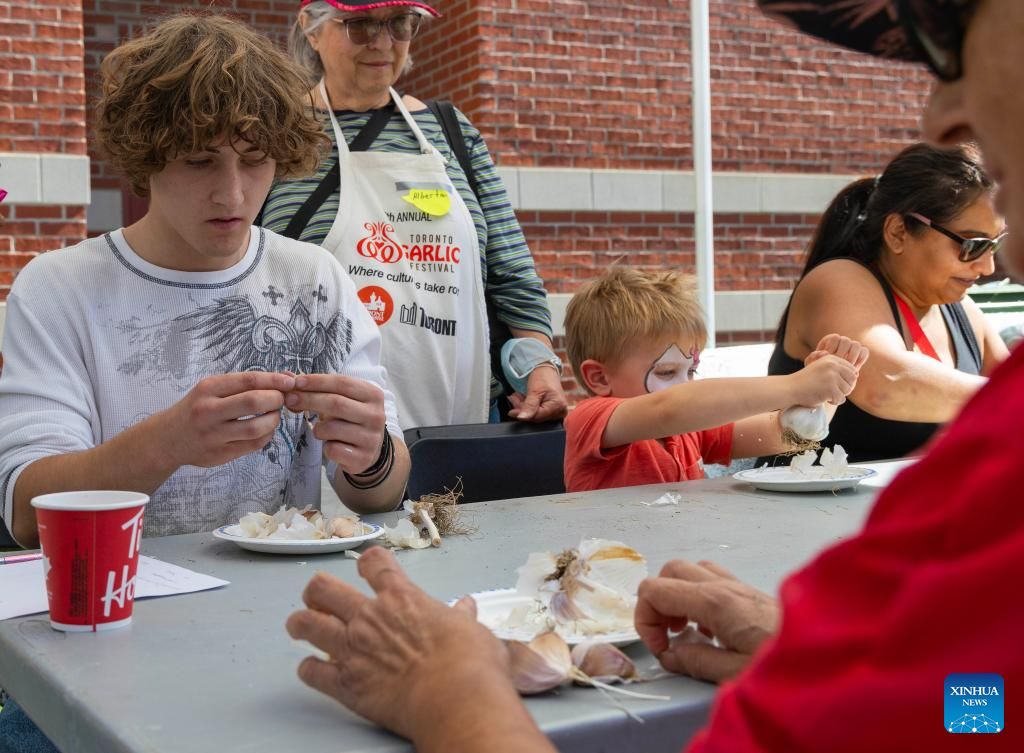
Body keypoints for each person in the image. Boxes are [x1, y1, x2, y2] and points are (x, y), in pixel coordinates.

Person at [286, 1, 1024, 751]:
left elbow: (976, 711)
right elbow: (977, 709)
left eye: (954, 53)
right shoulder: (601, 419)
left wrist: (453, 701)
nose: (938, 114)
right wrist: (815, 652)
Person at [0, 13, 410, 551]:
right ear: (146, 155)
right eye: (199, 161)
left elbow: (381, 495)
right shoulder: (58, 289)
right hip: (115, 593)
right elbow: (26, 514)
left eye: (256, 160)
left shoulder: (315, 276)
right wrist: (167, 442)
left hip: (284, 595)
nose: (233, 195)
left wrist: (373, 455)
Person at [261, 0, 567, 429]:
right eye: (360, 25)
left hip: (458, 423)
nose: (382, 42)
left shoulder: (451, 130)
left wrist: (540, 365)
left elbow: (510, 270)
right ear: (311, 29)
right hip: (318, 426)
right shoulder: (276, 133)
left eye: (399, 24)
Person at [765, 141, 1007, 463]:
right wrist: (1004, 400)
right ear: (898, 232)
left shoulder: (963, 312)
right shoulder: (838, 280)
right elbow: (887, 383)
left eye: (995, 245)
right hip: (808, 494)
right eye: (972, 245)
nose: (987, 267)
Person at [560, 268, 867, 492]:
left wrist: (822, 396)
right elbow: (669, 409)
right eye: (666, 372)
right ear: (599, 377)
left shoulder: (689, 430)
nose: (685, 385)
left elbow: (786, 436)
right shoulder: (591, 420)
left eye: (690, 371)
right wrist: (795, 385)